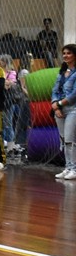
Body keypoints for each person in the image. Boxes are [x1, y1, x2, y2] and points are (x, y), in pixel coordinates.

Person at [52, 44, 76, 180]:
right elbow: (54, 90)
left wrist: (59, 104)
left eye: (69, 53)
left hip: (73, 109)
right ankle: (68, 167)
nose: (66, 55)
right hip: (60, 110)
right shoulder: (61, 72)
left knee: (70, 139)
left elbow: (74, 94)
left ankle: (74, 169)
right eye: (64, 53)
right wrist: (55, 105)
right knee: (63, 139)